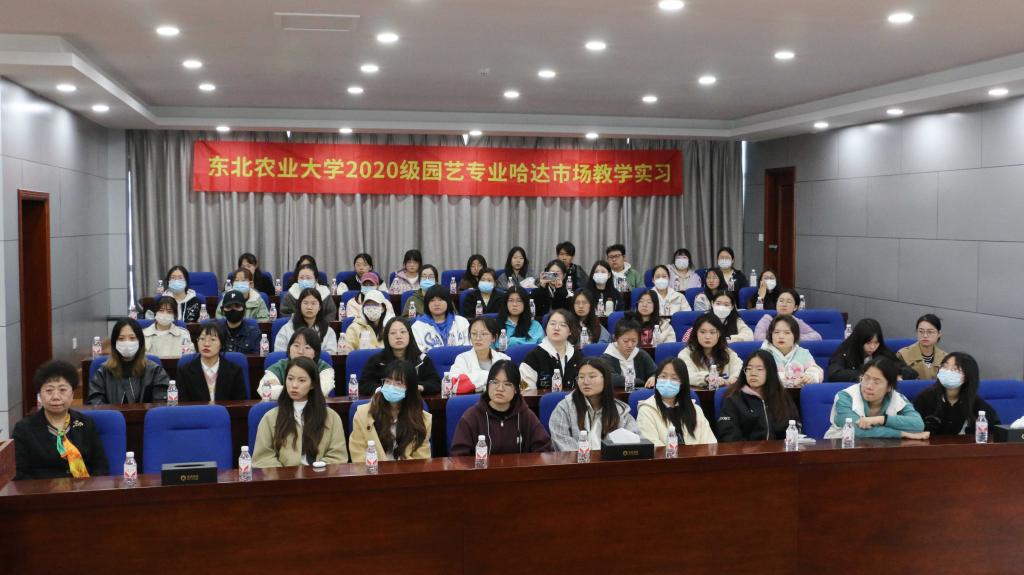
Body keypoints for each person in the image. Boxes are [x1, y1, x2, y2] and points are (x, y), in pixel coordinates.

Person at [13, 360, 109, 480]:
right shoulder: (24, 429)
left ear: (72, 394)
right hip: (42, 490)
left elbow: (101, 467)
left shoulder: (86, 424)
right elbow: (19, 475)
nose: (56, 397)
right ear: (40, 395)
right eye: (49, 390)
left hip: (83, 488)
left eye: (62, 390)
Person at [252, 356, 348, 467]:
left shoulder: (331, 417)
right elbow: (263, 458)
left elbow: (337, 456)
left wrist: (318, 472)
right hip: (283, 476)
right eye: (290, 379)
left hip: (321, 475)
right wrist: (286, 474)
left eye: (302, 380)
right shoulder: (270, 417)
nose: (294, 385)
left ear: (313, 384)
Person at [450, 361, 552, 455]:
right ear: (488, 385)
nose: (500, 388)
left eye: (507, 384)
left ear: (516, 389)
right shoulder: (472, 417)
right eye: (495, 382)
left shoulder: (525, 415)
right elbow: (459, 457)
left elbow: (544, 449)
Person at [823, 357, 929, 440]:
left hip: (882, 450)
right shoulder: (845, 396)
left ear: (889, 387)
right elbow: (856, 430)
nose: (869, 386)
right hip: (842, 450)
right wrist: (902, 434)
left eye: (876, 382)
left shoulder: (898, 398)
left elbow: (918, 425)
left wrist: (882, 420)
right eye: (866, 378)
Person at [549, 358, 641, 451]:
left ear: (605, 379)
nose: (585, 382)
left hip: (611, 460)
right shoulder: (565, 408)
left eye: (592, 376)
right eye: (581, 377)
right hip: (577, 460)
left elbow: (636, 440)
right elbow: (562, 443)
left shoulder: (620, 410)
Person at [716, 351, 801, 442]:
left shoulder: (781, 397)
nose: (753, 373)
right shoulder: (733, 399)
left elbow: (794, 428)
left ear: (770, 372)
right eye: (749, 369)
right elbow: (728, 436)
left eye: (759, 369)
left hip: (780, 449)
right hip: (745, 450)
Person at [913, 352, 1000, 436]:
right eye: (945, 366)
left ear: (967, 376)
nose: (948, 371)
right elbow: (912, 429)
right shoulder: (924, 398)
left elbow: (995, 429)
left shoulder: (974, 402)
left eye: (955, 369)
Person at [88, 318, 170, 404]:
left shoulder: (155, 371)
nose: (127, 342)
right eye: (121, 339)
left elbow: (161, 403)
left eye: (132, 338)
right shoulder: (103, 372)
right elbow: (95, 402)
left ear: (140, 342)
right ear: (114, 343)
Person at [637, 358, 716, 446]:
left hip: (697, 455)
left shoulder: (695, 409)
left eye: (674, 378)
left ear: (682, 383)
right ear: (656, 379)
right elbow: (652, 447)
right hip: (665, 455)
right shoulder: (646, 410)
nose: (668, 381)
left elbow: (710, 444)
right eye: (663, 376)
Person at [360, 318, 442, 396]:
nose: (398, 336)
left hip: (414, 402)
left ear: (409, 335)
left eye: (403, 332)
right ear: (386, 337)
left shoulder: (422, 359)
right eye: (393, 333)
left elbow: (435, 383)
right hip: (385, 402)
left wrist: (419, 387)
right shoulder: (377, 361)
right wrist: (385, 389)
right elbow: (364, 385)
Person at [176, 322, 247, 402]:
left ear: (221, 344)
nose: (206, 344)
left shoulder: (234, 371)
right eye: (202, 339)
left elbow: (239, 404)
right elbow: (182, 404)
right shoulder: (184, 371)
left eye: (213, 339)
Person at [827, 318, 916, 382]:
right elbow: (834, 374)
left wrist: (895, 375)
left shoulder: (881, 351)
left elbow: (910, 372)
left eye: (876, 342)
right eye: (868, 343)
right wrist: (865, 376)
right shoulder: (846, 350)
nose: (873, 347)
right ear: (859, 341)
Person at [259, 328, 336, 400]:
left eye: (307, 347)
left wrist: (279, 388)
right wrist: (306, 389)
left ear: (315, 353)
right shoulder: (278, 367)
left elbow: (322, 390)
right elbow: (264, 391)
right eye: (296, 346)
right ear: (289, 348)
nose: (300, 351)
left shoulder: (323, 368)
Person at [520, 309, 583, 390]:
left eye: (563, 325)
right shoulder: (532, 357)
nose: (556, 328)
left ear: (570, 331)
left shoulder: (578, 356)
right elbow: (525, 390)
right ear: (546, 328)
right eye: (552, 324)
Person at [678, 314, 742, 389]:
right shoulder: (685, 354)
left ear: (719, 334)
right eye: (702, 332)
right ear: (696, 333)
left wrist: (734, 378)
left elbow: (739, 368)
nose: (707, 337)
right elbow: (687, 375)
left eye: (712, 332)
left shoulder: (728, 352)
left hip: (725, 394)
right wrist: (707, 378)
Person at [449, 317, 512, 393]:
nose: (478, 338)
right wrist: (488, 376)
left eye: (484, 334)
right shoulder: (462, 358)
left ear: (494, 338)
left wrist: (473, 383)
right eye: (474, 334)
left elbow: (511, 387)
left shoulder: (504, 359)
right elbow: (453, 385)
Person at [760, 315, 824, 387]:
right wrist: (791, 383)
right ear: (771, 335)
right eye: (776, 332)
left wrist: (809, 377)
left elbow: (816, 370)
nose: (781, 336)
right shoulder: (763, 354)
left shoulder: (803, 353)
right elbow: (762, 377)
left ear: (795, 335)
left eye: (787, 333)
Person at [275, 288, 339, 354]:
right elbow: (280, 354)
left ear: (319, 307)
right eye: (305, 303)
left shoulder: (328, 331)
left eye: (313, 303)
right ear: (300, 306)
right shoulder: (286, 330)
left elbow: (329, 355)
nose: (309, 307)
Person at [601, 320, 657, 389]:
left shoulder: (641, 354)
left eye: (634, 341)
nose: (630, 345)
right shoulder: (607, 357)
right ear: (615, 338)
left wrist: (653, 377)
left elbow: (656, 372)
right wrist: (639, 382)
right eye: (625, 341)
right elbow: (610, 377)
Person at [411, 285, 470, 351]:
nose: (437, 304)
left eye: (440, 300)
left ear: (448, 302)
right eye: (432, 300)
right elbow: (420, 352)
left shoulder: (462, 322)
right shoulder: (417, 326)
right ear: (427, 304)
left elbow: (469, 347)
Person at [753, 289, 822, 342]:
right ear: (776, 304)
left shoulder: (796, 321)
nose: (784, 304)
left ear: (795, 307)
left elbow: (817, 337)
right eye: (781, 301)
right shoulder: (767, 319)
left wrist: (792, 338)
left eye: (789, 301)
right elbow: (758, 337)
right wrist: (780, 338)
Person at [896, 314, 948, 381]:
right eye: (921, 331)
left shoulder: (946, 358)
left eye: (930, 332)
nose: (925, 335)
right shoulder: (903, 355)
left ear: (939, 334)